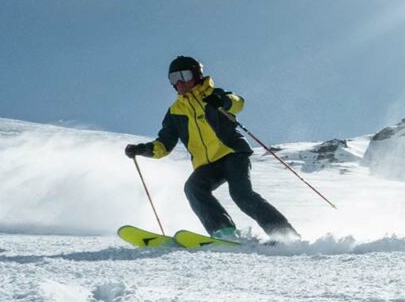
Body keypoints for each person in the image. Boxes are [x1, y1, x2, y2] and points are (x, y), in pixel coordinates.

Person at [125, 55, 299, 241]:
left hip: (232, 154)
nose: (179, 82)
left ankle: (285, 234)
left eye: (184, 75)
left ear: (197, 75)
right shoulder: (176, 111)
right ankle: (224, 232)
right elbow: (163, 145)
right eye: (173, 79)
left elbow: (238, 102)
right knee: (193, 188)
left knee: (241, 194)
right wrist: (141, 149)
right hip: (208, 165)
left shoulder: (213, 95)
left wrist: (222, 101)